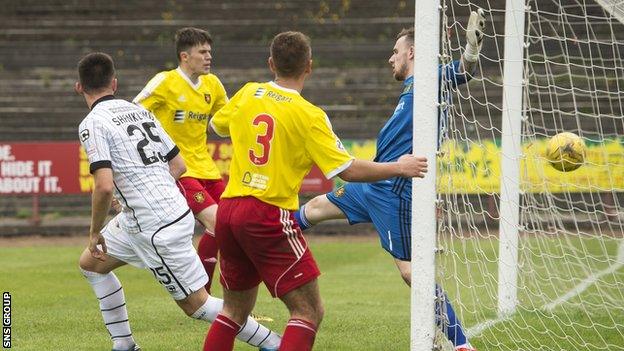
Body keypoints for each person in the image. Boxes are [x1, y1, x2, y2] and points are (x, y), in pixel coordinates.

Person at [202, 31, 429, 351]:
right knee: (307, 312)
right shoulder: (308, 115)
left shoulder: (248, 93)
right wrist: (399, 167)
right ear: (309, 66)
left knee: (233, 310)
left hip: (229, 210)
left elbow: (218, 126)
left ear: (271, 64)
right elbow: (347, 170)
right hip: (267, 213)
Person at [293, 9, 487, 351]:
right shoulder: (412, 87)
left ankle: (461, 345)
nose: (390, 58)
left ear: (411, 53)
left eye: (396, 52)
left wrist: (471, 51)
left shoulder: (431, 78)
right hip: (371, 184)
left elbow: (463, 70)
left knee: (411, 271)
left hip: (393, 191)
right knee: (318, 206)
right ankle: (264, 239)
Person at [76, 52, 281, 351]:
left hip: (155, 226)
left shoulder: (91, 123)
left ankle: (274, 343)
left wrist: (95, 231)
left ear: (79, 87)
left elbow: (104, 186)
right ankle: (124, 345)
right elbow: (179, 166)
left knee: (197, 305)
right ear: (115, 83)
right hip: (154, 214)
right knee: (91, 265)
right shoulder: (139, 112)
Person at [133, 27, 226, 294]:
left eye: (210, 51)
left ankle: (227, 300)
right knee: (218, 223)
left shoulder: (213, 84)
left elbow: (225, 121)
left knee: (232, 227)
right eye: (203, 52)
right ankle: (204, 296)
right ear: (185, 56)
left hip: (208, 168)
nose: (209, 57)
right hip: (179, 170)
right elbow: (133, 112)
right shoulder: (165, 81)